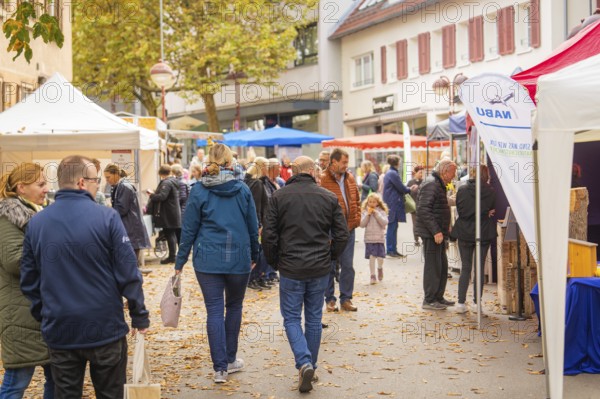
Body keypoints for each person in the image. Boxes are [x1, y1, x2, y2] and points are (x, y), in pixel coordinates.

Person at [20, 155, 149, 399]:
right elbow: (128, 273)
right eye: (96, 180)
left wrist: (44, 313)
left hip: (61, 328)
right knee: (110, 394)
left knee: (66, 394)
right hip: (104, 328)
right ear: (81, 182)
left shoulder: (37, 223)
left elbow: (29, 280)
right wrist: (139, 314)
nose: (99, 185)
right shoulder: (107, 217)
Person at [262, 156, 349, 393]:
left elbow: (268, 235)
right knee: (312, 318)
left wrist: (274, 261)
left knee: (291, 317)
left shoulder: (278, 197)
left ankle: (304, 362)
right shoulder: (328, 197)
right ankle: (310, 365)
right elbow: (342, 234)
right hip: (319, 266)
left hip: (290, 266)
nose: (320, 174)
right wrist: (330, 256)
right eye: (318, 170)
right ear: (311, 171)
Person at [174, 144, 259, 384]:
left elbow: (188, 229)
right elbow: (253, 227)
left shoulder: (199, 191)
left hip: (208, 259)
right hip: (238, 257)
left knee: (214, 309)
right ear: (230, 163)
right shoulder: (242, 190)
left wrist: (180, 261)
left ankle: (220, 368)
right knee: (234, 306)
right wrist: (255, 253)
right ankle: (230, 359)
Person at [0, 163, 54, 399]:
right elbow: (16, 261)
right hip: (21, 312)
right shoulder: (7, 217)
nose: (46, 189)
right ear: (21, 188)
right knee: (17, 381)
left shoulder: (38, 214)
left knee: (58, 380)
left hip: (43, 311)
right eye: (40, 184)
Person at [450, 165, 497, 314]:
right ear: (486, 175)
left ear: (472, 174)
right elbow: (491, 209)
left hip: (464, 231)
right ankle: (477, 304)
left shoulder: (462, 190)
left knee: (466, 267)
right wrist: (485, 212)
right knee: (479, 268)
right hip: (483, 231)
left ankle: (461, 303)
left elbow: (460, 209)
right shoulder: (490, 191)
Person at [320, 148, 361, 312]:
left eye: (346, 162)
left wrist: (356, 218)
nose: (346, 165)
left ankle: (346, 299)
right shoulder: (323, 179)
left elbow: (357, 200)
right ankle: (330, 299)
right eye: (343, 162)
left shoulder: (350, 178)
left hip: (349, 229)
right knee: (329, 265)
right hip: (330, 230)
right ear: (334, 161)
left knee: (348, 265)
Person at [415, 158, 457, 310]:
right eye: (452, 173)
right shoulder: (432, 183)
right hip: (432, 234)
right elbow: (423, 209)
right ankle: (429, 299)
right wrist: (436, 231)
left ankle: (438, 296)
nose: (453, 177)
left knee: (441, 265)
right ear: (444, 171)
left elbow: (437, 206)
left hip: (437, 233)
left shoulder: (437, 183)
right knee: (433, 267)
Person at [104, 164, 152, 274]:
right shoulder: (120, 186)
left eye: (108, 177)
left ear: (116, 174)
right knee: (129, 264)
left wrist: (108, 212)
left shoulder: (124, 186)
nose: (107, 180)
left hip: (131, 229)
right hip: (129, 228)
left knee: (130, 265)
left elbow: (121, 209)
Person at [244, 157, 272, 291]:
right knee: (258, 251)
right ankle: (253, 277)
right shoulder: (256, 183)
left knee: (259, 250)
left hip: (257, 222)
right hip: (257, 224)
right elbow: (256, 206)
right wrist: (259, 224)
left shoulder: (254, 182)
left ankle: (257, 277)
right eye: (266, 167)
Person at [147, 164, 181, 264]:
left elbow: (162, 196)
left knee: (169, 233)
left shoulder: (167, 183)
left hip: (168, 213)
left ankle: (172, 257)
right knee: (172, 234)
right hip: (172, 212)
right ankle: (173, 256)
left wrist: (152, 195)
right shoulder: (173, 181)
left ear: (161, 174)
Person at [383, 155, 415, 258]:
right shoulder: (393, 173)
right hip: (394, 203)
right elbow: (401, 187)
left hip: (391, 202)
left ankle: (392, 249)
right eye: (399, 161)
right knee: (392, 226)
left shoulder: (390, 172)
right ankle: (391, 250)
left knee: (393, 226)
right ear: (397, 162)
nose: (400, 163)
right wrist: (410, 189)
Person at [360, 193, 388, 284]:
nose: (372, 204)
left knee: (380, 258)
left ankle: (380, 268)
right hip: (369, 238)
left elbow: (384, 223)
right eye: (370, 202)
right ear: (367, 202)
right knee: (372, 257)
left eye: (374, 202)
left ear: (377, 203)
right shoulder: (364, 212)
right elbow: (362, 224)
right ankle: (372, 275)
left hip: (379, 238)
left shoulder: (381, 211)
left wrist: (377, 214)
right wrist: (367, 215)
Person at [407, 166, 425, 246]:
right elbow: (407, 194)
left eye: (422, 173)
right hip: (414, 207)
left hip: (423, 206)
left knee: (423, 223)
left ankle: (424, 238)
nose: (421, 174)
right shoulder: (410, 182)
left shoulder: (424, 182)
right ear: (415, 173)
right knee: (415, 224)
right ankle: (416, 240)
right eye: (420, 172)